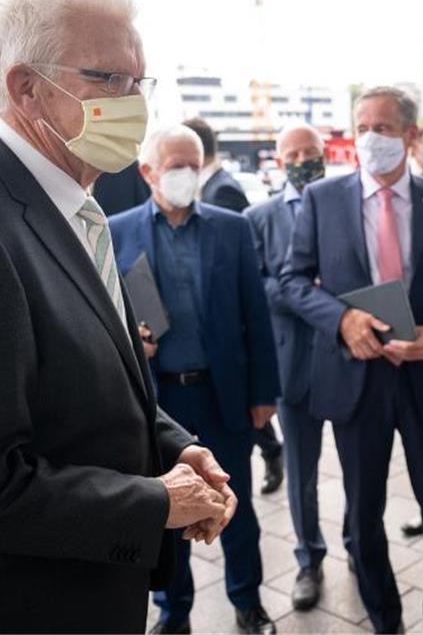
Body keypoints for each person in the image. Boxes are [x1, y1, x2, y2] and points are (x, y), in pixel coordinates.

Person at [0, 0, 236, 634]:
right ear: (25, 88)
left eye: (141, 84)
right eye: (109, 79)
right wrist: (155, 504)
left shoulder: (66, 204)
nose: (135, 106)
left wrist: (174, 450)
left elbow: (83, 388)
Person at [281, 86, 423, 633]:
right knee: (362, 515)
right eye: (362, 126)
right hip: (355, 379)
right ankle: (384, 618)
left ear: (411, 137)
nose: (371, 138)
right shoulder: (323, 199)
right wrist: (341, 320)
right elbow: (293, 280)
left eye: (384, 128)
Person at [109, 124, 281, 635]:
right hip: (160, 403)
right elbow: (107, 316)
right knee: (168, 512)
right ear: (148, 172)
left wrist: (263, 395)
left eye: (193, 164)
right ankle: (174, 610)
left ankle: (247, 601)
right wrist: (132, 341)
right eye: (175, 165)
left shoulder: (231, 228)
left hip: (223, 394)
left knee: (238, 508)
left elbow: (257, 313)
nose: (186, 175)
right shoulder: (117, 231)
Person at [246, 125, 344, 611]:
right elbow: (255, 287)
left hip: (349, 359)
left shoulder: (347, 204)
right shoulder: (258, 218)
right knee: (302, 470)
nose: (304, 160)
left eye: (312, 152)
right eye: (294, 154)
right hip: (291, 364)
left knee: (360, 467)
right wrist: (306, 291)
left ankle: (361, 543)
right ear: (279, 159)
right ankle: (309, 558)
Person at [187, 116, 285, 495]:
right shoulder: (207, 184)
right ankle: (271, 447)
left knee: (243, 414)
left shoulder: (222, 191)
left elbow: (239, 279)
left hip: (226, 336)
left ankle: (272, 450)